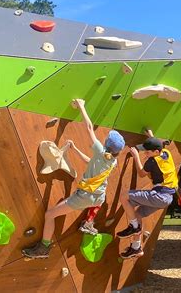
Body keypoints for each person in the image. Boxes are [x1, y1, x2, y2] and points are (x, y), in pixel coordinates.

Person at [22, 99, 125, 259]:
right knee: (63, 207)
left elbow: (89, 127)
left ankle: (44, 248)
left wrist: (82, 107)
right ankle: (89, 222)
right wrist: (74, 148)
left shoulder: (100, 151)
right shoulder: (112, 159)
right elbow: (88, 161)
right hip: (98, 198)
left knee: (50, 215)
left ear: (106, 144)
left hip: (85, 197)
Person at [116, 136, 178, 259]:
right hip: (166, 198)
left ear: (155, 152)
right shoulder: (166, 153)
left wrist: (136, 156)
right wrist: (150, 135)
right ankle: (136, 248)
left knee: (124, 196)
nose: (145, 153)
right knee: (138, 214)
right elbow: (158, 143)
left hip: (159, 195)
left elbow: (141, 173)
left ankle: (134, 226)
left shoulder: (151, 161)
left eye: (147, 152)